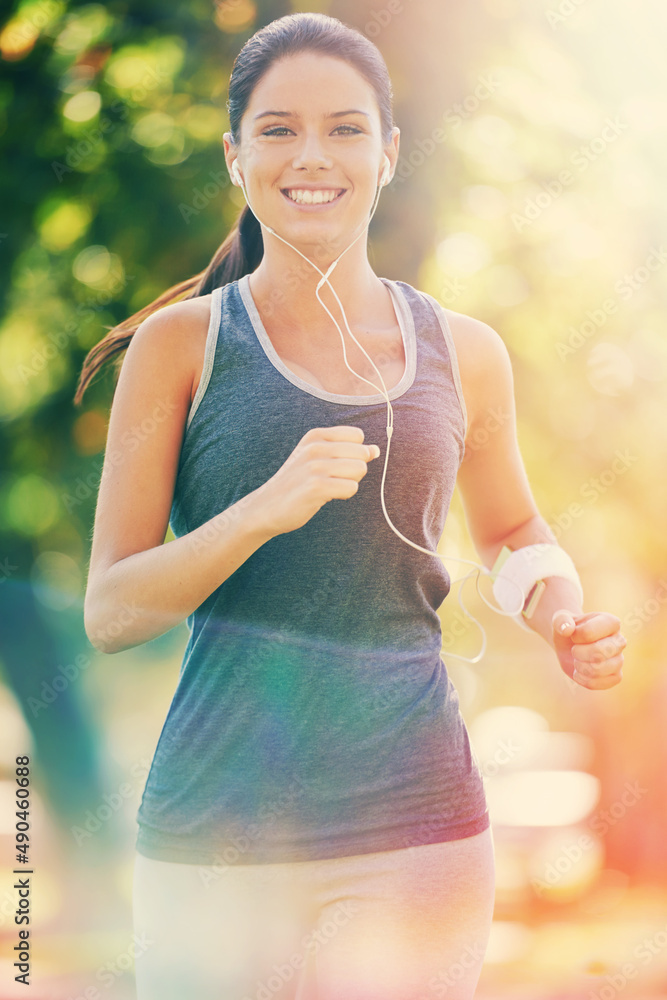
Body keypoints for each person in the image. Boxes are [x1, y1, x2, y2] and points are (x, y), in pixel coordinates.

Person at [78, 12, 626, 1000]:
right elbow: (114, 610)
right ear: (235, 155)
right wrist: (261, 509)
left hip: (415, 823)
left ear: (386, 152)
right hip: (216, 831)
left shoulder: (464, 351)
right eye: (278, 128)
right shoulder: (181, 350)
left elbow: (511, 534)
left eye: (343, 126)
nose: (311, 155)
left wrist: (557, 611)